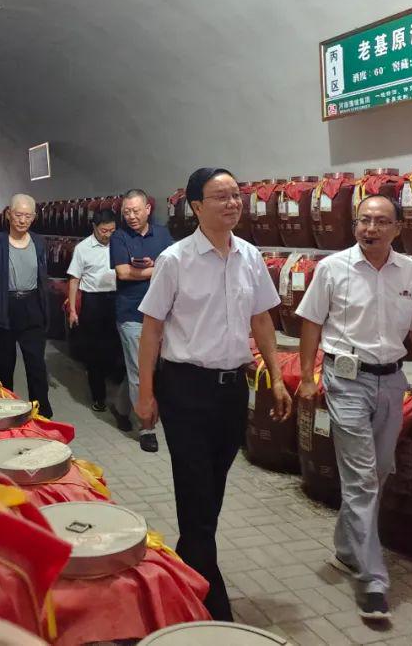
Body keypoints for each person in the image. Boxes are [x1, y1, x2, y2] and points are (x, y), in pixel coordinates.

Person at [136, 167, 291, 622]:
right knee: (195, 488)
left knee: (211, 490)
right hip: (184, 388)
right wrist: (145, 393)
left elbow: (262, 320)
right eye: (220, 196)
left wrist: (277, 377)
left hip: (231, 389)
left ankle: (185, 572)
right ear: (197, 206)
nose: (232, 203)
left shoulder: (250, 257)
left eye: (235, 195)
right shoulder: (175, 260)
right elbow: (152, 330)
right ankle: (213, 605)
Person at [294, 194, 412, 622]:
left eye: (380, 221)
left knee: (378, 472)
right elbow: (311, 323)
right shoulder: (332, 268)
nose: (370, 228)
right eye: (363, 220)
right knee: (362, 478)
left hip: (392, 381)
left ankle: (346, 549)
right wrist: (307, 376)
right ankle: (373, 578)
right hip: (346, 380)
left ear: (398, 228)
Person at [0, 194, 53, 416]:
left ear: (34, 217)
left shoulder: (38, 242)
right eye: (18, 215)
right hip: (4, 307)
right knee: (3, 365)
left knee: (36, 365)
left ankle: (41, 413)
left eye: (28, 216)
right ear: (9, 214)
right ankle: (6, 410)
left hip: (32, 306)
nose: (22, 220)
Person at [109, 188, 171, 451]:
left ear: (148, 209)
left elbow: (175, 269)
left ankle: (121, 406)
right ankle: (146, 427)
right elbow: (123, 273)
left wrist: (146, 269)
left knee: (143, 367)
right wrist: (157, 269)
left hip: (161, 314)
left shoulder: (163, 235)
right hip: (131, 313)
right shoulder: (119, 237)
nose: (131, 216)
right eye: (126, 212)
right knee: (139, 368)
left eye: (135, 211)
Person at [67, 208, 122, 412]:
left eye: (112, 230)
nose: (108, 235)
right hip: (93, 302)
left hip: (117, 299)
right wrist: (73, 310)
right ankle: (98, 397)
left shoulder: (120, 243)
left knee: (115, 348)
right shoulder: (82, 248)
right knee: (94, 351)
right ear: (94, 227)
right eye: (104, 231)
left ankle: (119, 394)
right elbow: (74, 280)